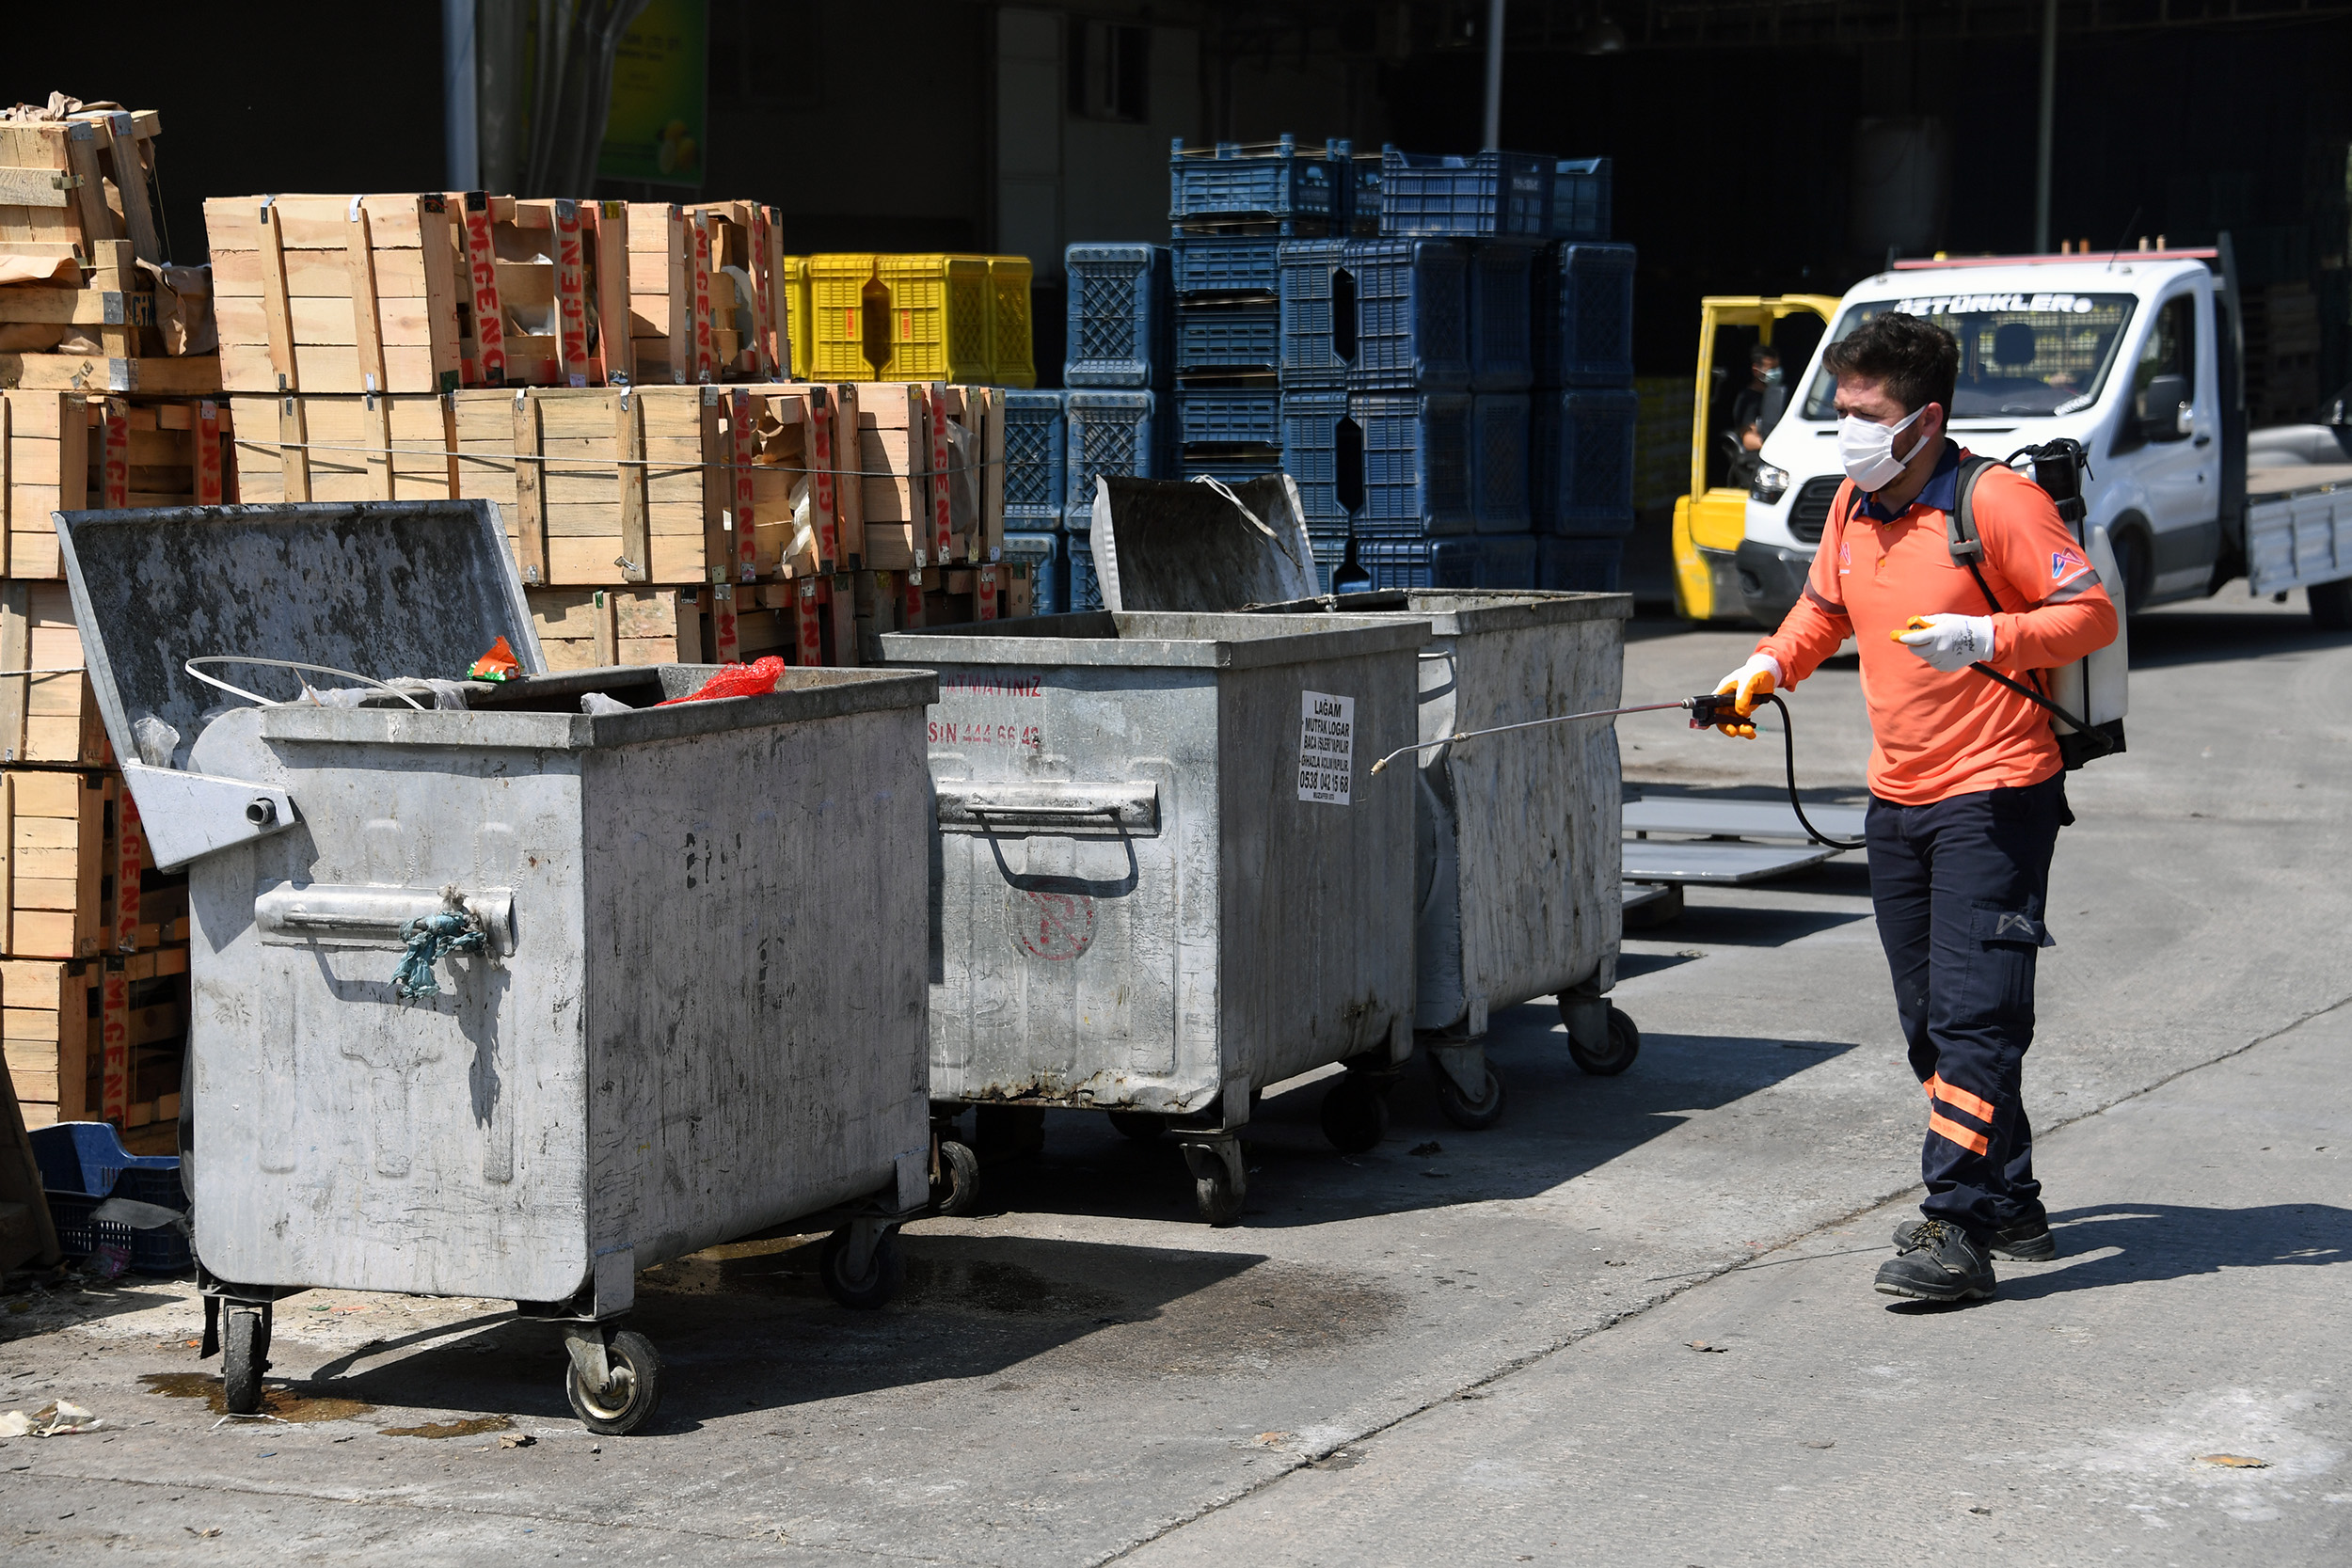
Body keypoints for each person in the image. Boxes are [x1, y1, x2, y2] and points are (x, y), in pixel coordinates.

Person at [1710, 312, 2118, 1304]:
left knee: (1978, 1018)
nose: (1846, 427)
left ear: (1924, 418)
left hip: (1995, 790)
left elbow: (2090, 611)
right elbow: (1824, 607)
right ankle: (2009, 1194)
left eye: (1865, 412)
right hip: (1896, 796)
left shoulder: (1998, 502)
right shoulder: (1855, 502)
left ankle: (1956, 1226)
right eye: (1840, 407)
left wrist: (1985, 636)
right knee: (1931, 1025)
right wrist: (1766, 667)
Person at [1724, 344, 1787, 488]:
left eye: (1777, 368)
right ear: (1756, 370)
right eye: (1771, 369)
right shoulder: (1749, 400)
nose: (1776, 372)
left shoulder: (1778, 395)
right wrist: (1772, 447)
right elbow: (1748, 439)